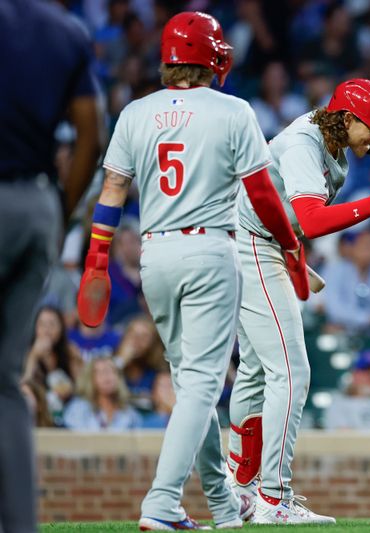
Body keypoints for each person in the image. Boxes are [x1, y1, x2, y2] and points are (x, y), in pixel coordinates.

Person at [76, 12, 307, 530]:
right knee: (202, 384)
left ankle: (224, 506)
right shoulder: (232, 110)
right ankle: (161, 504)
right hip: (209, 251)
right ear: (213, 56)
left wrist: (95, 259)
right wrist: (290, 246)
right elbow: (263, 193)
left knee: (189, 385)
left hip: (153, 255)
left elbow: (112, 192)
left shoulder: (135, 111)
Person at [227, 78, 370, 525]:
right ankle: (272, 499)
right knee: (292, 371)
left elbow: (299, 222)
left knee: (257, 369)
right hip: (251, 244)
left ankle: (238, 489)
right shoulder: (305, 142)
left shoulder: (330, 143)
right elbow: (313, 221)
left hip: (265, 244)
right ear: (345, 117)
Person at [0, 0, 101, 530]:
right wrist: (57, 215)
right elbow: (92, 131)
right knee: (5, 383)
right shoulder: (62, 29)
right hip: (36, 205)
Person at [63, 356, 142, 431]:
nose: (107, 376)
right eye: (100, 372)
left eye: (111, 371)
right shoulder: (78, 409)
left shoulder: (130, 414)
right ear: (90, 379)